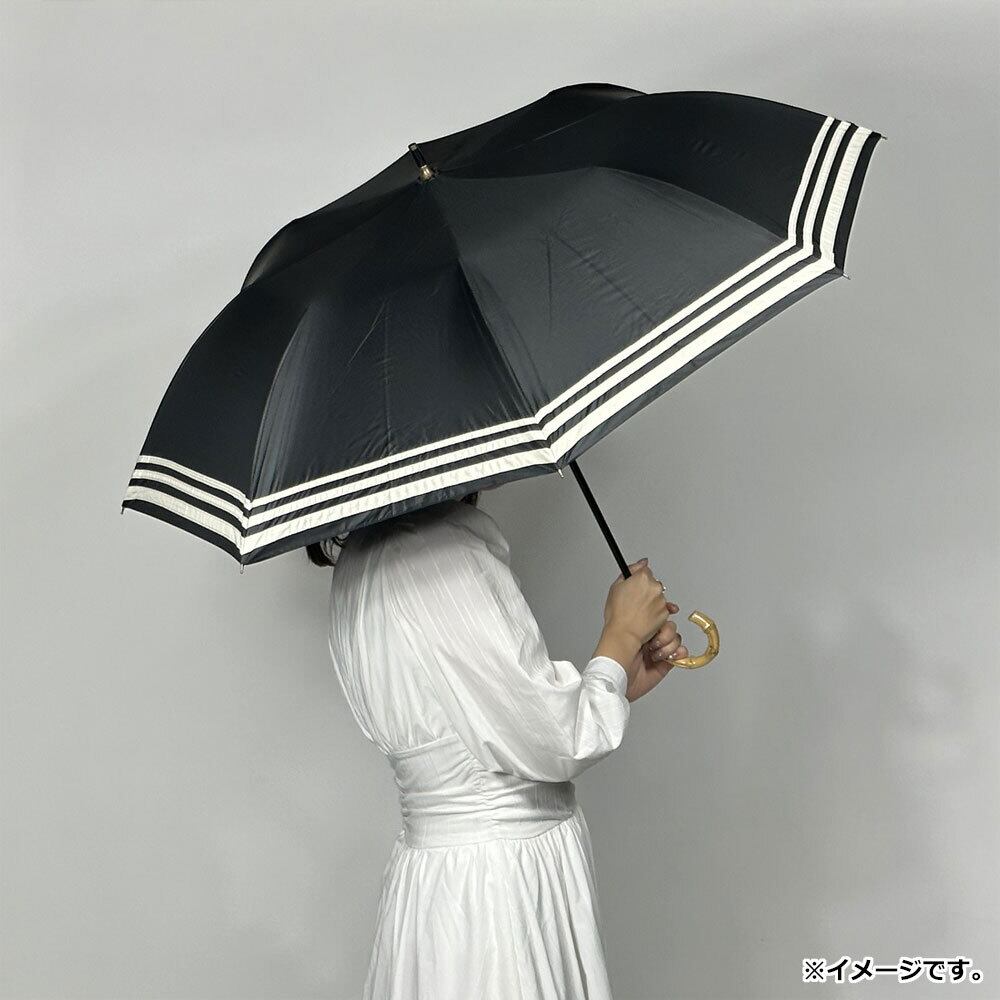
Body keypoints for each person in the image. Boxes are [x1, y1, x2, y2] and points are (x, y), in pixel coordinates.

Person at [314, 492, 687, 1000]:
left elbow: (476, 728)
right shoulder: (437, 556)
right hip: (496, 887)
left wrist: (616, 681)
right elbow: (557, 739)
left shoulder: (360, 562)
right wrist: (620, 633)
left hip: (439, 880)